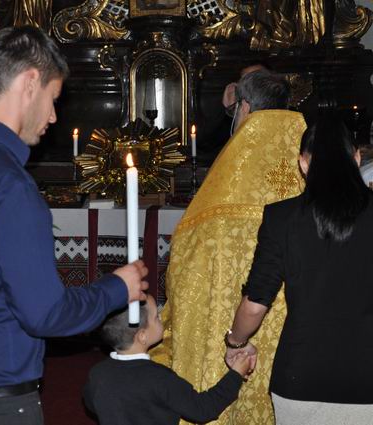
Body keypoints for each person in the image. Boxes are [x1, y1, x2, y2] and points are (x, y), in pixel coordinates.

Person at [0, 26, 148, 425]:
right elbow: (46, 315)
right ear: (30, 82)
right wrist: (116, 288)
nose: (53, 116)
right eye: (53, 99)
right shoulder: (9, 185)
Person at [151, 69, 306, 425]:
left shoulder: (229, 177)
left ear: (245, 107)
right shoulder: (306, 158)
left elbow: (189, 251)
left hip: (233, 317)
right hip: (294, 318)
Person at [226, 114, 373, 424]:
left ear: (304, 164)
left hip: (300, 375)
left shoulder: (281, 217)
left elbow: (255, 304)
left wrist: (236, 342)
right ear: (357, 158)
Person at [84, 296, 251, 425]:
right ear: (142, 336)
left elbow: (92, 404)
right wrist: (235, 375)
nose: (161, 317)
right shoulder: (159, 377)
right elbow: (203, 409)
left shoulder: (97, 373)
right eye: (156, 317)